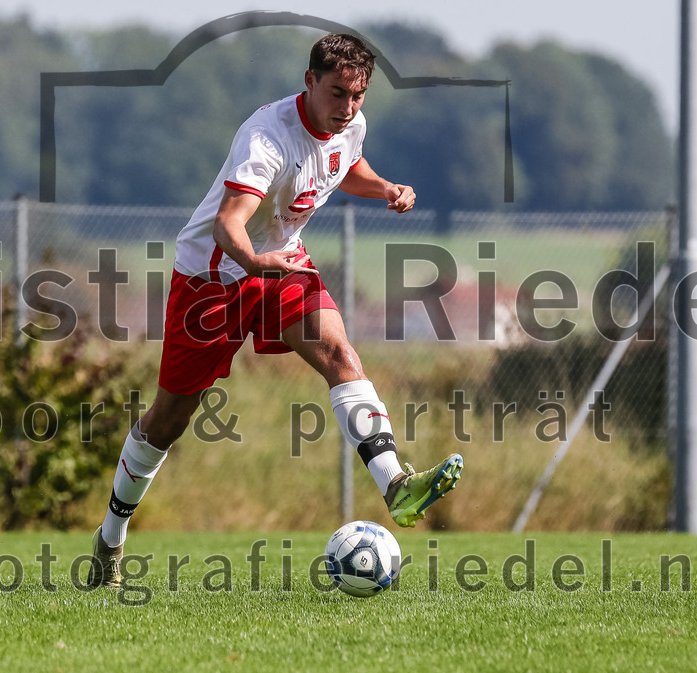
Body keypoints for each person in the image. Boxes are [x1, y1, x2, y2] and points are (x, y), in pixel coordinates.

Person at [87, 33, 464, 588]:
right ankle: (110, 540)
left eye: (359, 96)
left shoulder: (350, 123)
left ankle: (395, 486)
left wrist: (384, 188)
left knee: (340, 353)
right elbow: (229, 222)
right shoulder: (265, 138)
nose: (348, 108)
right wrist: (254, 261)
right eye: (337, 94)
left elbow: (344, 163)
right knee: (169, 418)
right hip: (212, 278)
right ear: (309, 81)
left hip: (281, 264)